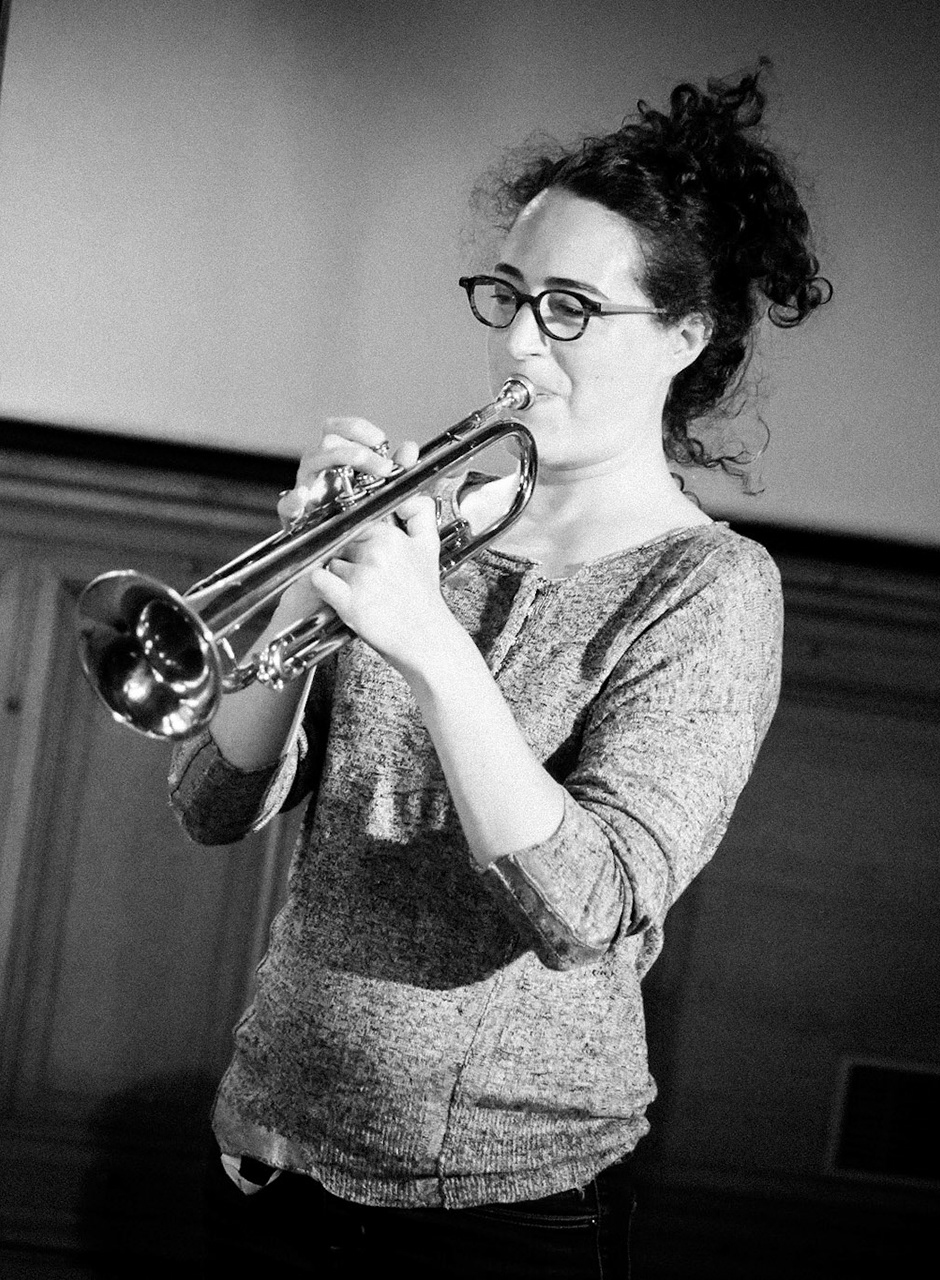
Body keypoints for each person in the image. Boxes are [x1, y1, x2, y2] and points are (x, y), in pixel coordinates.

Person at [175, 66, 830, 1277]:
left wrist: (428, 641)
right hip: (267, 1148)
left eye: (574, 306)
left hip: (498, 1212)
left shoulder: (710, 588)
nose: (522, 338)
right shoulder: (429, 518)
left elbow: (591, 907)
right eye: (512, 294)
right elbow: (211, 806)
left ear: (687, 337)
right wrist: (302, 576)